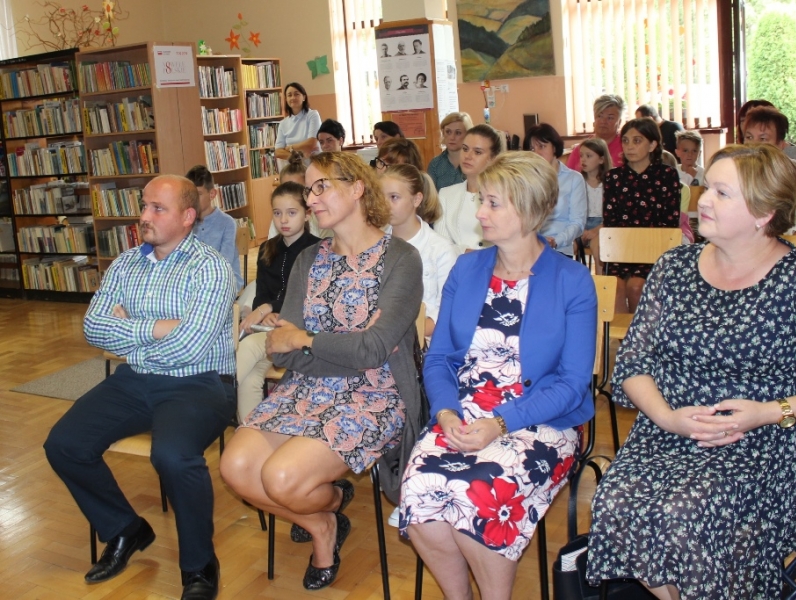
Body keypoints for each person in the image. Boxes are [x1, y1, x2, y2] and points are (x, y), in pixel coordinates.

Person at [586, 143, 796, 600]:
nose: (703, 200)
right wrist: (668, 417)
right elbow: (633, 364)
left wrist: (767, 412)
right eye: (708, 188)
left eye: (722, 193)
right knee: (613, 502)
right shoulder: (674, 267)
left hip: (755, 444)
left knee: (683, 514)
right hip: (667, 431)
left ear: (764, 213)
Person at [219, 152, 424, 591]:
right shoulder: (310, 259)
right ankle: (323, 518)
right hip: (305, 387)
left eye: (321, 187)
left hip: (375, 394)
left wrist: (308, 339)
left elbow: (372, 353)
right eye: (308, 189)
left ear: (357, 188)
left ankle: (322, 529)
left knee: (280, 477)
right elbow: (283, 353)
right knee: (236, 468)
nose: (311, 199)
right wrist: (333, 346)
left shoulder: (402, 259)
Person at [399, 152, 597, 599]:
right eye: (481, 201)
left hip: (541, 419)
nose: (480, 213)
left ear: (527, 210)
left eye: (492, 203)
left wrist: (501, 423)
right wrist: (446, 412)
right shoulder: (467, 269)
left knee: (481, 495)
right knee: (419, 491)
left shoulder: (571, 280)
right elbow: (439, 357)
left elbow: (572, 384)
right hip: (463, 412)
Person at [44, 175, 237, 600]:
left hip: (200, 382)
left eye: (157, 208)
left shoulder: (210, 267)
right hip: (137, 378)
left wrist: (129, 329)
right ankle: (124, 529)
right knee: (64, 444)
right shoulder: (126, 263)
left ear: (187, 217)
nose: (144, 216)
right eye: (144, 205)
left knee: (172, 456)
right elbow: (93, 327)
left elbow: (191, 346)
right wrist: (158, 328)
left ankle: (199, 564)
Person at [236, 182, 320, 422]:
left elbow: (306, 295)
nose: (283, 220)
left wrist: (270, 308)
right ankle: (251, 429)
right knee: (250, 379)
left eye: (291, 212)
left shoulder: (317, 249)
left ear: (307, 214)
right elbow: (261, 292)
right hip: (268, 328)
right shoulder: (267, 248)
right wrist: (265, 310)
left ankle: (214, 393)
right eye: (277, 213)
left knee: (247, 348)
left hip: (299, 330)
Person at [604, 117, 681, 313]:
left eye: (637, 141)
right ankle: (623, 333)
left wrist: (645, 245)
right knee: (614, 288)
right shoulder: (613, 177)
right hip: (622, 249)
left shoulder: (667, 175)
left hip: (654, 249)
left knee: (636, 287)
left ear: (652, 145)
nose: (629, 146)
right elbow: (610, 221)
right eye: (625, 141)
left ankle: (642, 332)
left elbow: (670, 222)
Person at [381, 164, 460, 337]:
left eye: (394, 197)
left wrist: (405, 335)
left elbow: (447, 311)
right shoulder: (375, 245)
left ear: (416, 199)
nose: (386, 205)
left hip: (424, 340)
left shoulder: (441, 250)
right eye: (382, 197)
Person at [742, 107, 796, 263]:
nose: (754, 145)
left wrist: (784, 253)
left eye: (763, 138)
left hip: (790, 257)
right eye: (749, 137)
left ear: (781, 144)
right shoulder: (734, 173)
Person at [434, 124, 504, 250]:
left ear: (493, 158)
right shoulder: (446, 194)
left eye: (477, 152)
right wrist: (464, 252)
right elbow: (441, 246)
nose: (468, 156)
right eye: (465, 149)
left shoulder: (504, 195)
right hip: (456, 261)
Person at [524, 123, 587, 256]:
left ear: (554, 147)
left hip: (560, 247)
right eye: (531, 149)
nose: (536, 153)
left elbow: (577, 222)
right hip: (529, 247)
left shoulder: (574, 179)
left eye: (542, 146)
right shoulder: (525, 180)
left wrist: (556, 241)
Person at [185, 164, 243, 289]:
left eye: (198, 194)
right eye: (190, 195)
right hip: (195, 283)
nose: (192, 200)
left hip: (223, 281)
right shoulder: (185, 223)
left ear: (212, 194)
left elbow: (224, 262)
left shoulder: (227, 223)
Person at [577, 137, 612, 273]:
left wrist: (597, 229)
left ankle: (600, 282)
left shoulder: (610, 182)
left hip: (602, 225)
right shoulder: (577, 180)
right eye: (581, 156)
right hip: (581, 223)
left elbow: (613, 214)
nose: (583, 160)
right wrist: (580, 229)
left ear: (601, 159)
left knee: (599, 249)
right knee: (566, 247)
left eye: (589, 156)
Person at [567, 94, 627, 171]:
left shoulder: (626, 146)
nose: (603, 121)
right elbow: (568, 175)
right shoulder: (581, 149)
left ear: (619, 122)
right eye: (599, 116)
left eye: (610, 118)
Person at [427, 111, 474, 191]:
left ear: (467, 134)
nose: (452, 137)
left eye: (458, 133)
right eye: (448, 132)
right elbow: (431, 195)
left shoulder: (474, 162)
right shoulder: (435, 164)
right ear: (443, 133)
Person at [274, 83, 321, 161]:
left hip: (312, 163)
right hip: (293, 165)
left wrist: (290, 147)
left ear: (304, 97)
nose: (293, 98)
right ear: (286, 99)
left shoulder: (312, 115)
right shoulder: (283, 123)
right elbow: (278, 152)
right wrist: (297, 157)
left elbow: (312, 143)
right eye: (289, 95)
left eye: (296, 94)